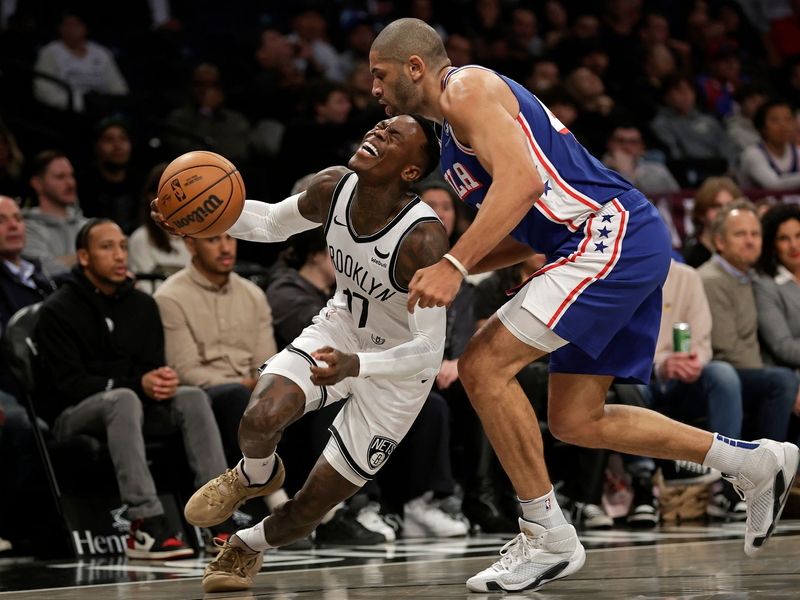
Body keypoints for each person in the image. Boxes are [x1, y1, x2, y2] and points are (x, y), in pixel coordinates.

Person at [367, 18, 799, 593]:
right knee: (575, 420)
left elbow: (521, 183)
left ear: (415, 66)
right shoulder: (450, 141)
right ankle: (751, 462)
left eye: (380, 74)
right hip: (607, 240)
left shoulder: (466, 88)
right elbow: (529, 226)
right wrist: (453, 265)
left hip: (607, 234)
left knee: (481, 366)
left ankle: (546, 534)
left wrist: (455, 264)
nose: (374, 88)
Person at [152, 114, 448, 592]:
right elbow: (271, 221)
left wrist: (357, 366)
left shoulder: (423, 240)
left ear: (411, 171)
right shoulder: (333, 187)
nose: (377, 132)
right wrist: (197, 218)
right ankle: (255, 474)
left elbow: (429, 351)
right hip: (341, 329)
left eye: (394, 136)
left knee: (310, 507)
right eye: (379, 126)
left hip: (396, 371)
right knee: (259, 417)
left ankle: (246, 543)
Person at [34, 218, 232, 560]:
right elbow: (68, 385)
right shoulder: (58, 310)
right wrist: (136, 384)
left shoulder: (142, 304)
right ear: (83, 256)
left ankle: (217, 516)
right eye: (107, 247)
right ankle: (145, 523)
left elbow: (149, 368)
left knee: (192, 397)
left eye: (124, 247)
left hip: (133, 409)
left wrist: (161, 381)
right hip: (74, 415)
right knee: (123, 399)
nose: (119, 255)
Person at [698, 200, 799, 515]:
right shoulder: (712, 279)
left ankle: (768, 475)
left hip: (743, 372)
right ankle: (754, 480)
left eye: (755, 234)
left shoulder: (749, 277)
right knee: (782, 381)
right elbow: (726, 348)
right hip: (715, 374)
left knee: (784, 380)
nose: (750, 240)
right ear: (720, 241)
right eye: (740, 234)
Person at [154, 232, 278, 468]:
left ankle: (331, 489)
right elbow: (185, 371)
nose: (225, 248)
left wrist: (262, 383)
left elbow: (266, 363)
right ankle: (265, 483)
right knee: (236, 395)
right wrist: (245, 385)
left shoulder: (254, 295)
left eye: (230, 238)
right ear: (191, 245)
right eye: (213, 240)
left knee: (317, 393)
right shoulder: (169, 297)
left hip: (253, 389)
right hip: (205, 395)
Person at [0, 196, 58, 399]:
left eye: (18, 218)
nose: (13, 225)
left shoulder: (40, 274)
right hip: (22, 393)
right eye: (1, 220)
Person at [33, 12, 128, 112]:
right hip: (68, 110)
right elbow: (44, 90)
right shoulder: (50, 52)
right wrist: (79, 105)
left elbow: (118, 86)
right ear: (60, 29)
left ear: (85, 27)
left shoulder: (101, 52)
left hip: (104, 108)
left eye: (75, 25)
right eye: (66, 25)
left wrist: (115, 103)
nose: (70, 29)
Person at [127, 164, 191, 294]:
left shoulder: (199, 235)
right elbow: (147, 290)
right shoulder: (140, 239)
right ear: (152, 197)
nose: (180, 197)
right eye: (171, 192)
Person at [22, 151, 87, 276]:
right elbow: (43, 271)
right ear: (37, 184)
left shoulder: (88, 225)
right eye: (60, 177)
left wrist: (65, 260)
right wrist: (92, 260)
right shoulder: (25, 229)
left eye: (71, 176)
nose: (71, 183)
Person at [755, 202, 800, 380]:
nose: (794, 245)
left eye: (798, 235)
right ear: (772, 244)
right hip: (789, 376)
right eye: (784, 239)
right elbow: (783, 347)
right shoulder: (764, 284)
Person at [78, 118, 141, 235]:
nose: (118, 145)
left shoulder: (140, 181)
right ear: (96, 146)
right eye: (109, 139)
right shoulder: (83, 184)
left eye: (123, 138)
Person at [739, 98, 800, 190]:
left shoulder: (797, 152)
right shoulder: (753, 154)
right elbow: (774, 184)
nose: (783, 125)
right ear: (762, 127)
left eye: (788, 119)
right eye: (775, 120)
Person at [602, 124, 680, 194]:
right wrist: (624, 173)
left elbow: (679, 199)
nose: (626, 147)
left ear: (641, 147)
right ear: (610, 144)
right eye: (620, 141)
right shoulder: (599, 171)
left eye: (633, 142)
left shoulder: (658, 171)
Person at [682, 177, 742, 269]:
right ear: (701, 214)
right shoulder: (690, 259)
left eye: (730, 206)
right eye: (717, 206)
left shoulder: (743, 255)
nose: (724, 211)